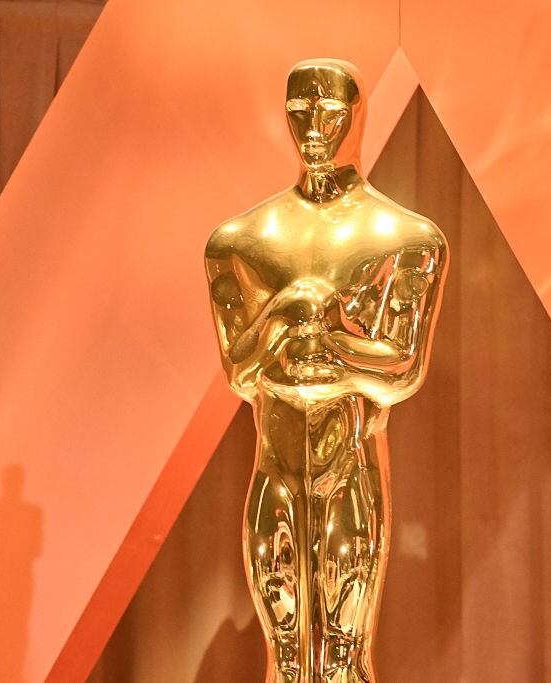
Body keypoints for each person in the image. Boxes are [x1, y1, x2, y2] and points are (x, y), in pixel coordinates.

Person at [205, 59, 448, 682]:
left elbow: (402, 371)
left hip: (351, 461)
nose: (314, 126)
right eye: (299, 111)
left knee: (344, 654)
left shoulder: (401, 238)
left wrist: (333, 338)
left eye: (330, 111)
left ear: (356, 115)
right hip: (276, 461)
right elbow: (239, 373)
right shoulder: (241, 241)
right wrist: (289, 308)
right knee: (285, 657)